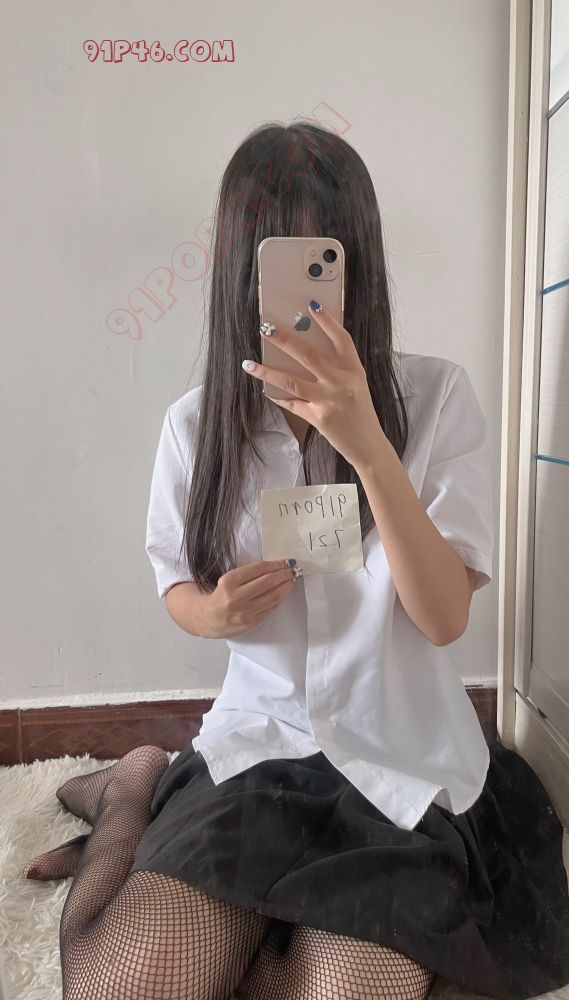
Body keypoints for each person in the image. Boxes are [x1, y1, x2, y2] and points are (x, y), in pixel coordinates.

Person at [22, 121, 569, 1000]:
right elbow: (175, 583)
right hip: (260, 747)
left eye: (327, 260)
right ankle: (134, 783)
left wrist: (368, 446)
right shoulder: (197, 425)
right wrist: (213, 614)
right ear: (240, 273)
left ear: (360, 265)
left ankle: (257, 913)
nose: (307, 295)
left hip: (400, 762)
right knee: (124, 981)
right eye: (280, 263)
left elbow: (442, 618)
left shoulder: (437, 398)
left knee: (349, 990)